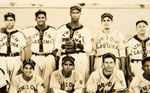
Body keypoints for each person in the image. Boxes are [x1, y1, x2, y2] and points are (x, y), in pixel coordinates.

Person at [55, 5, 92, 84]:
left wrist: (77, 45)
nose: (75, 15)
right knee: (63, 81)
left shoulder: (85, 30)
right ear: (70, 14)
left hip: (79, 57)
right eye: (73, 13)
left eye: (77, 13)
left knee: (79, 81)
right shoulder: (62, 28)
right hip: (65, 55)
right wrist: (65, 45)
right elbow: (56, 44)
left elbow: (89, 48)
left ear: (80, 14)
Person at [22, 10, 57, 91]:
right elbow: (18, 33)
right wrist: (3, 29)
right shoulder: (31, 29)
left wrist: (54, 54)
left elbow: (58, 44)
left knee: (48, 80)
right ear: (36, 19)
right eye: (39, 18)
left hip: (48, 56)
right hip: (35, 56)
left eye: (43, 18)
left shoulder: (53, 30)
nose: (41, 19)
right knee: (35, 78)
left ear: (46, 18)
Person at [0, 12, 27, 82]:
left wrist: (23, 62)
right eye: (7, 20)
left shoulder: (19, 33)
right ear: (5, 21)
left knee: (14, 80)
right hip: (2, 58)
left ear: (14, 21)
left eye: (11, 20)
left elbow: (23, 50)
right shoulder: (0, 33)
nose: (9, 22)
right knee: (4, 81)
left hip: (15, 58)